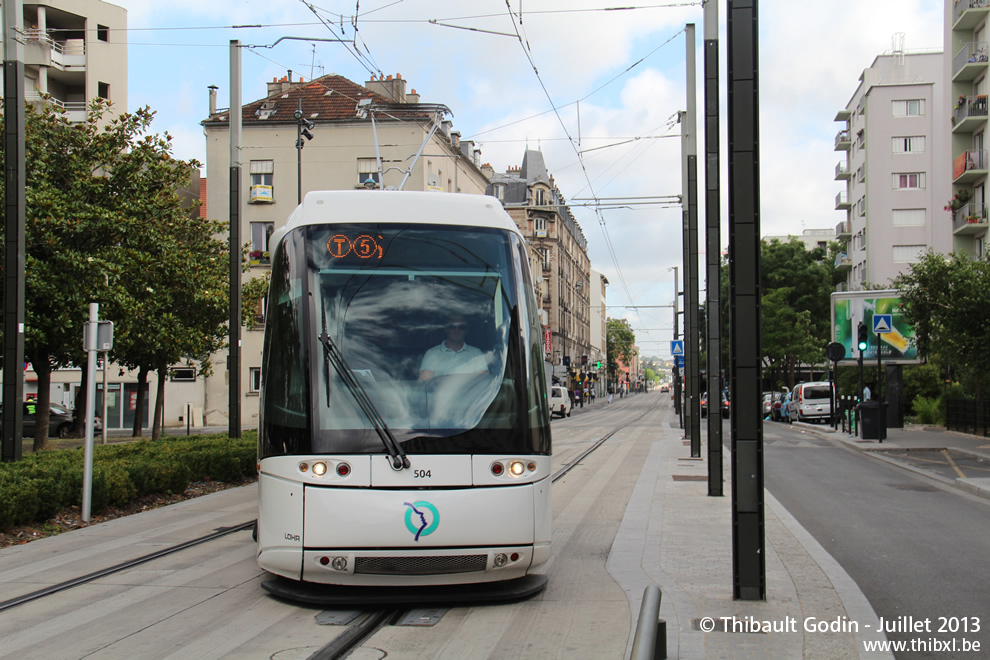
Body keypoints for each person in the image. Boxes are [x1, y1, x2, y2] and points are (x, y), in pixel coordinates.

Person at [419, 314, 488, 380]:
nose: (456, 330)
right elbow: (426, 383)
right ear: (446, 329)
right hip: (440, 392)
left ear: (466, 330)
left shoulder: (476, 353)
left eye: (461, 327)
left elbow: (484, 381)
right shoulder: (432, 354)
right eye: (452, 326)